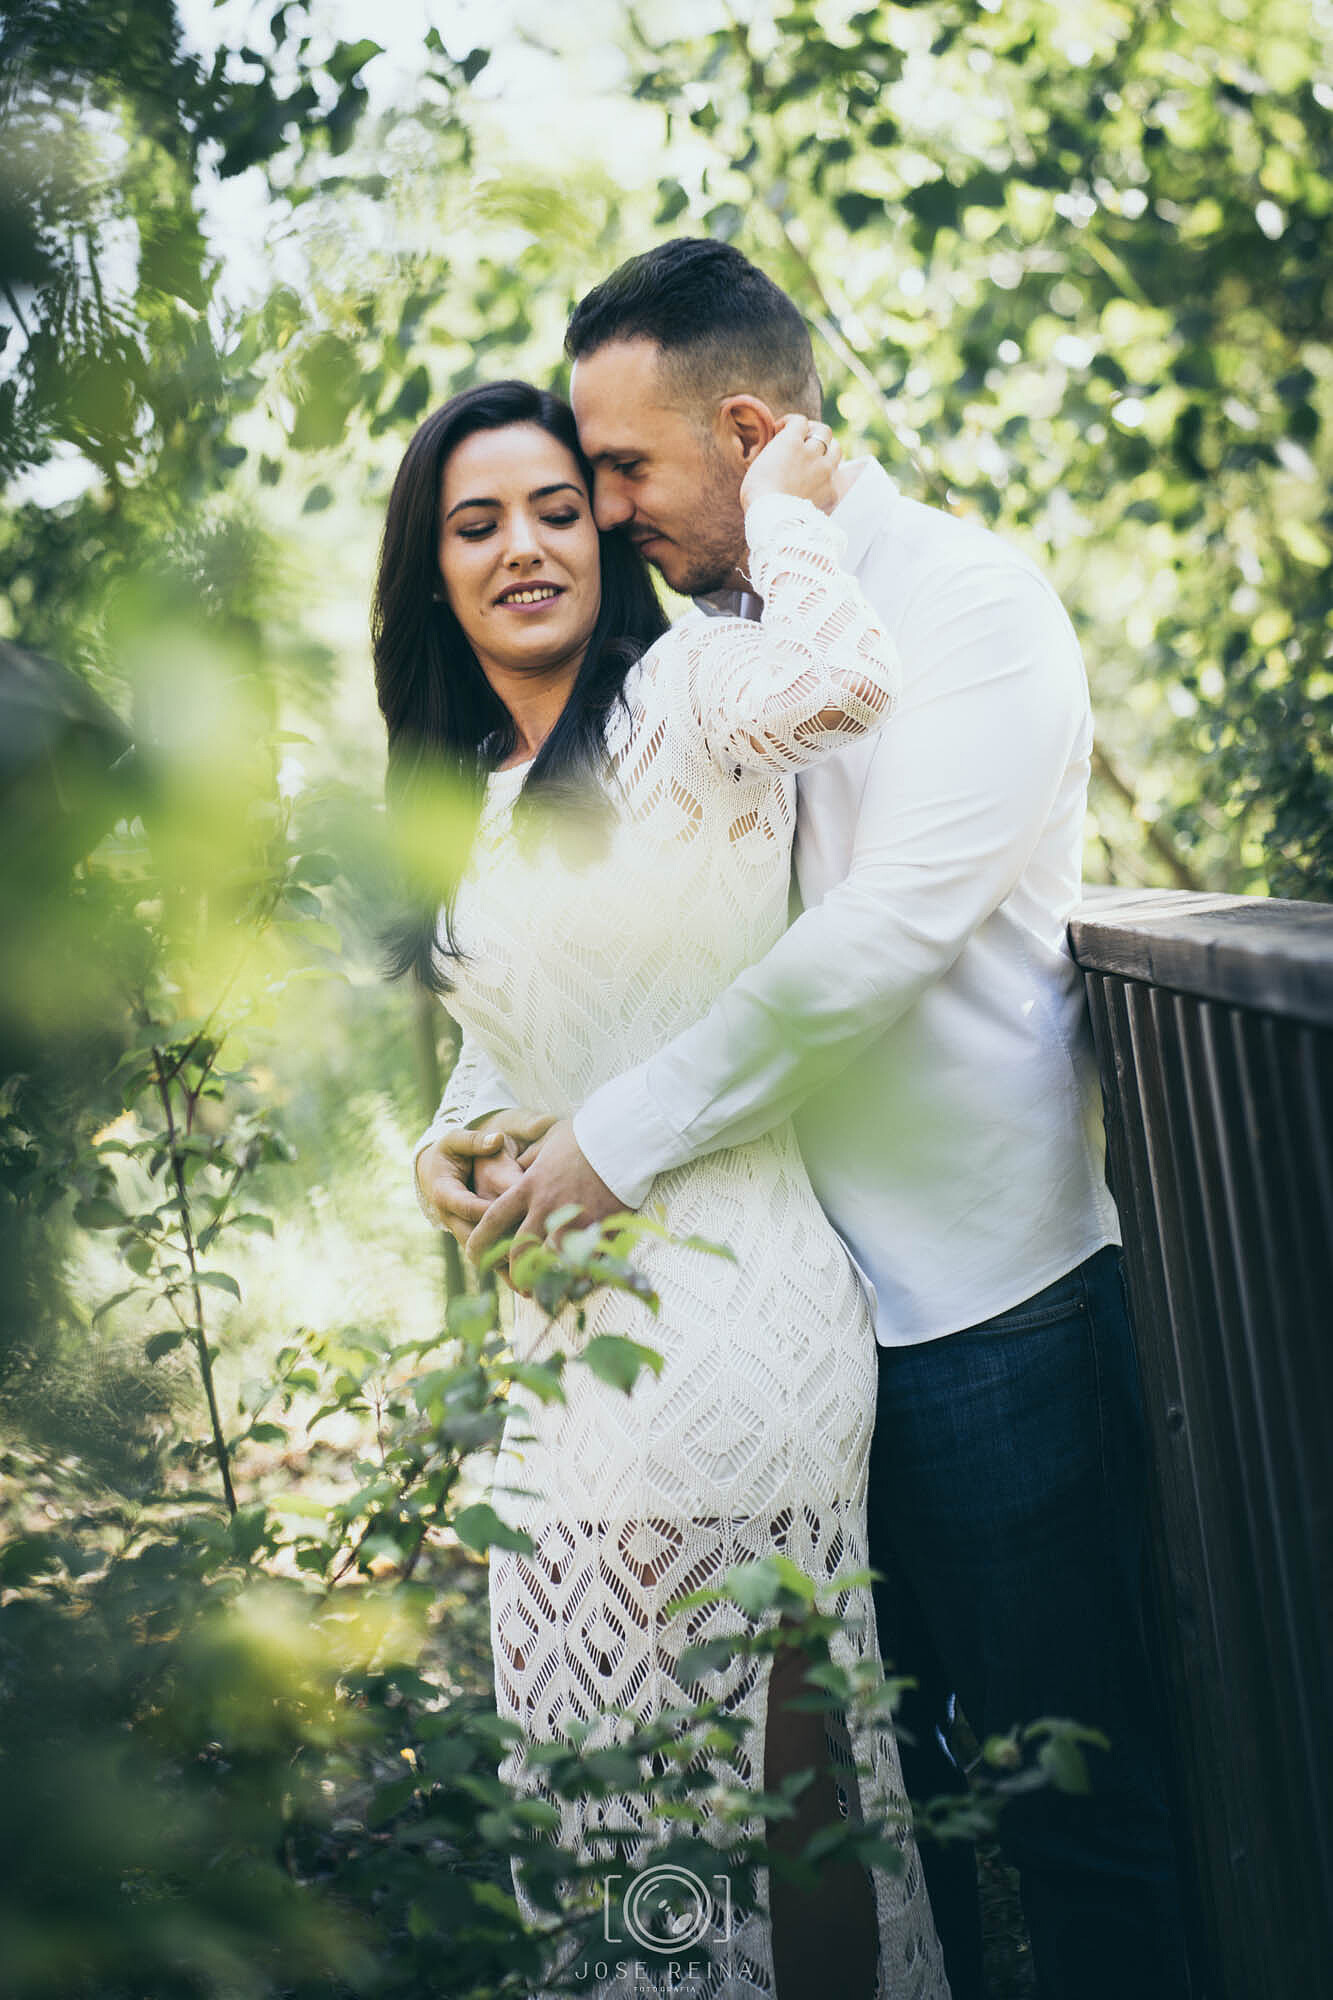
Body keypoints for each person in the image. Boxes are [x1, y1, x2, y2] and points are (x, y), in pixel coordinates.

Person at [415, 241, 1190, 2000]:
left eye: (623, 470)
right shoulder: (704, 655)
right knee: (855, 1818)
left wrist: (611, 1142)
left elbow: (882, 941)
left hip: (983, 1314)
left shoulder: (970, 607)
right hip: (776, 1331)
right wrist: (494, 1116)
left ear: (751, 435)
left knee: (1068, 1807)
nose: (605, 515)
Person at [379, 377, 950, 2000]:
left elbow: (849, 680)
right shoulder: (462, 792)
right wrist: (446, 1148)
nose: (525, 547)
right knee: (619, 1809)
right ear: (432, 571)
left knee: (787, 1784)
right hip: (563, 1371)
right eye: (477, 524)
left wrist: (784, 515)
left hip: (737, 1328)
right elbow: (505, 1049)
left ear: (602, 534)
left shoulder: (687, 690)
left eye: (557, 509)